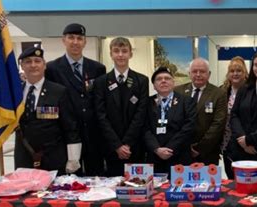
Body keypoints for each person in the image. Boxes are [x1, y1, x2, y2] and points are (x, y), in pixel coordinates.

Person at [45, 23, 106, 176]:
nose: (75, 42)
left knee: (96, 178)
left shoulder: (98, 68)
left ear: (85, 42)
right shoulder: (52, 69)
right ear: (63, 40)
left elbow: (100, 101)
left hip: (93, 135)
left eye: (79, 38)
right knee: (71, 181)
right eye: (71, 37)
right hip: (66, 135)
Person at [15, 47, 81, 175]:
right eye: (28, 61)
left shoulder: (59, 91)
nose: (33, 65)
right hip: (24, 158)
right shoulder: (15, 93)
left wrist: (73, 159)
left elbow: (70, 127)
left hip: (53, 159)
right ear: (22, 66)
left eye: (37, 61)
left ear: (44, 65)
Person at [94, 37, 148, 176]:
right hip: (111, 147)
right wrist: (117, 145)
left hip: (135, 146)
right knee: (112, 190)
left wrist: (127, 143)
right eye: (116, 51)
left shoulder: (141, 80)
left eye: (124, 51)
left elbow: (140, 114)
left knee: (138, 188)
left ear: (131, 54)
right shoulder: (101, 82)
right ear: (111, 54)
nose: (120, 55)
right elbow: (101, 115)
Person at [174, 58, 227, 165]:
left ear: (209, 74)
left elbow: (218, 124)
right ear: (189, 73)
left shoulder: (219, 94)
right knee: (181, 181)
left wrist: (200, 148)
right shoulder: (177, 91)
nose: (198, 74)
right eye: (194, 71)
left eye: (202, 71)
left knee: (207, 182)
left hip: (207, 152)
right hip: (181, 151)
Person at [144, 67, 196, 174]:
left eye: (167, 78)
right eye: (159, 79)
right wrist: (157, 149)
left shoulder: (187, 101)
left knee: (181, 190)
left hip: (179, 157)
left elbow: (189, 127)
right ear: (154, 85)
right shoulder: (146, 103)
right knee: (156, 190)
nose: (163, 81)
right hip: (155, 158)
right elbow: (144, 128)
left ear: (173, 83)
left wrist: (170, 148)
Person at [220, 56, 248, 179]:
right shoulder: (222, 91)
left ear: (245, 73)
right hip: (227, 143)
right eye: (232, 71)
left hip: (245, 142)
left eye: (239, 71)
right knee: (231, 177)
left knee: (245, 177)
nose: (235, 74)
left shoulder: (250, 91)